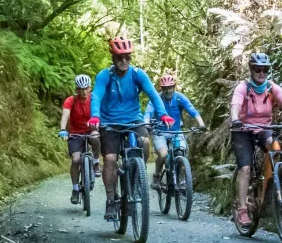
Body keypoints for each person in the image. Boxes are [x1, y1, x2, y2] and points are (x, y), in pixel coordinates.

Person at [91, 36, 170, 222]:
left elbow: (152, 93)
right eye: (120, 57)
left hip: (133, 120)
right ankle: (111, 200)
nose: (124, 61)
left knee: (144, 142)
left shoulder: (137, 74)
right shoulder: (104, 76)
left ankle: (137, 173)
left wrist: (163, 113)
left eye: (128, 56)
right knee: (110, 159)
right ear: (113, 57)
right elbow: (96, 96)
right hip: (109, 122)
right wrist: (95, 115)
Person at [229, 53, 282, 226]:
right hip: (242, 130)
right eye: (258, 69)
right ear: (251, 70)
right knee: (245, 168)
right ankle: (242, 210)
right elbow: (235, 103)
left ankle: (273, 185)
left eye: (265, 69)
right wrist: (235, 119)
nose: (261, 73)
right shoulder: (243, 87)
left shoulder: (271, 87)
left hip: (263, 128)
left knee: (276, 147)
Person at [143, 72, 206, 190]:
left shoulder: (179, 97)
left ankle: (181, 180)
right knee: (163, 154)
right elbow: (148, 112)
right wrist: (147, 123)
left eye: (170, 88)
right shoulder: (156, 98)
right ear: (161, 88)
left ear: (174, 87)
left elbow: (192, 110)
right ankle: (156, 175)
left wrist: (201, 124)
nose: (168, 91)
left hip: (176, 131)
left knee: (181, 152)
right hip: (160, 132)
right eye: (165, 88)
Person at [58, 74, 101, 204]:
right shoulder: (70, 100)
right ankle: (75, 189)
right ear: (76, 89)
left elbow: (100, 112)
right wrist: (63, 129)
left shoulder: (94, 99)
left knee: (95, 137)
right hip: (75, 133)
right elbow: (65, 115)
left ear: (90, 87)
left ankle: (96, 162)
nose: (83, 92)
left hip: (91, 129)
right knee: (76, 160)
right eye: (80, 89)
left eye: (86, 88)